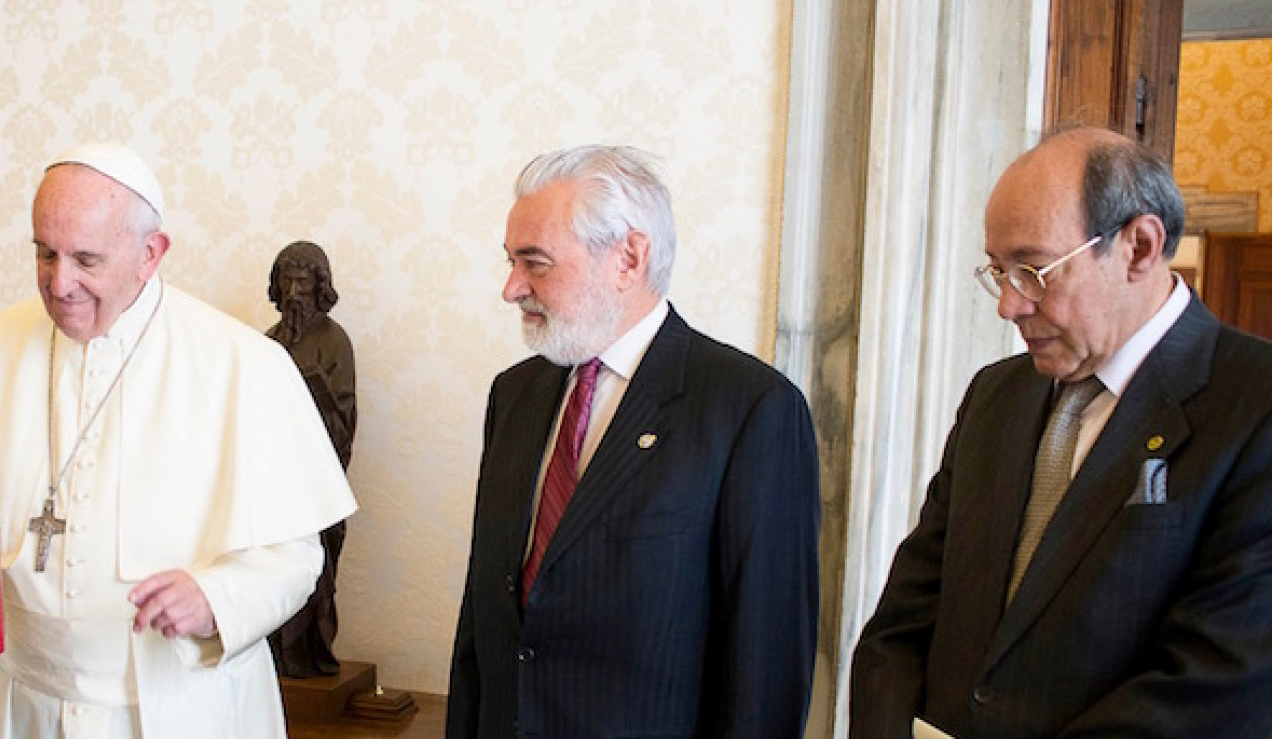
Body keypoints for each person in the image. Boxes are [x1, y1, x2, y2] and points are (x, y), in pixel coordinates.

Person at [0, 142, 357, 738]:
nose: (59, 283)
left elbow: (297, 558)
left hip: (189, 711)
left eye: (86, 260)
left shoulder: (243, 364)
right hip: (24, 712)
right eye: (45, 253)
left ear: (151, 253)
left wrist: (217, 597)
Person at [850, 127, 1272, 738]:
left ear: (1139, 248)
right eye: (999, 271)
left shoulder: (1253, 404)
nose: (1009, 305)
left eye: (1034, 270)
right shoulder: (996, 395)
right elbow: (904, 620)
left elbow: (1218, 683)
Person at [447, 144, 821, 738]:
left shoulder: (749, 410)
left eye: (535, 262)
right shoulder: (513, 396)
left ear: (627, 258)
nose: (512, 288)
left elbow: (765, 671)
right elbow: (480, 626)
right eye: (510, 262)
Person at [263, 240, 356, 679]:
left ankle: (307, 655)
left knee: (315, 573)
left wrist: (309, 387)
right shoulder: (267, 342)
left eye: (304, 281)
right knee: (267, 567)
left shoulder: (333, 341)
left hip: (316, 485)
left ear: (319, 286)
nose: (295, 291)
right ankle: (275, 655)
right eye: (288, 280)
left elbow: (344, 414)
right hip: (271, 482)